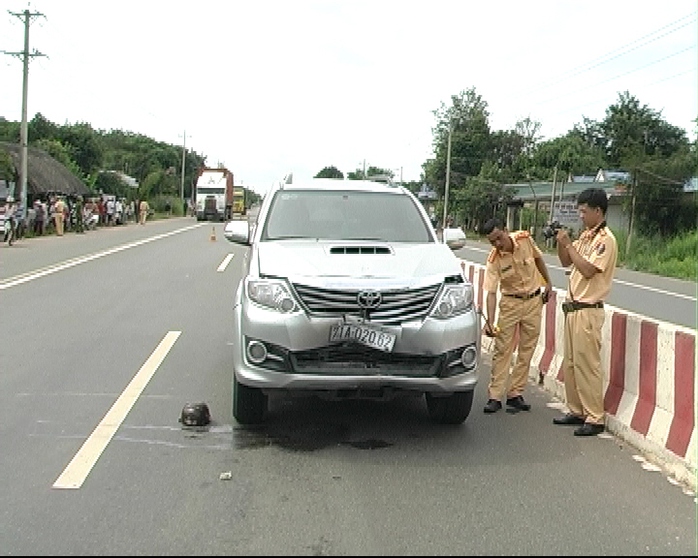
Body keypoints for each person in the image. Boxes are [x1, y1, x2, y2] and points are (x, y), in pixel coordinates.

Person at [552, 188, 617, 437]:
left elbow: (588, 270)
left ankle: (594, 416)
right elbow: (566, 262)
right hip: (573, 308)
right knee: (571, 364)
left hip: (588, 309)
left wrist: (570, 245)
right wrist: (562, 243)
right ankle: (576, 410)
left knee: (587, 365)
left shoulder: (605, 240)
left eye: (584, 211)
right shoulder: (586, 237)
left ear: (597, 211)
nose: (580, 215)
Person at [481, 217, 552, 414]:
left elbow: (538, 259)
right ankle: (495, 396)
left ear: (506, 229)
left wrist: (548, 282)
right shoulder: (494, 260)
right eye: (492, 242)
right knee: (503, 350)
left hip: (533, 301)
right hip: (510, 304)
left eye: (498, 238)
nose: (497, 244)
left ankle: (515, 393)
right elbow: (491, 292)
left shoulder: (525, 240)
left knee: (527, 349)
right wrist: (490, 320)